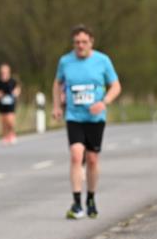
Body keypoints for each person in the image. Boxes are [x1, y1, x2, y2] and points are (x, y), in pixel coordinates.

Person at [52, 24, 122, 220]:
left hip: (95, 118)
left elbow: (116, 85)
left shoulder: (102, 60)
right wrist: (57, 106)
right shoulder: (65, 61)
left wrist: (104, 102)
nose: (80, 46)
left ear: (91, 42)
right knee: (76, 155)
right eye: (76, 43)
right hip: (74, 116)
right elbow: (57, 83)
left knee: (92, 159)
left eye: (84, 42)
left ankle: (90, 198)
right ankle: (76, 203)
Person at [0, 63, 21, 145]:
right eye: (3, 72)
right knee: (3, 121)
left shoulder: (12, 81)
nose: (4, 73)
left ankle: (12, 134)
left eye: (6, 72)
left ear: (9, 72)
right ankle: (6, 136)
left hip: (10, 104)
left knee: (10, 121)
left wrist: (16, 93)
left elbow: (17, 89)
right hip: (1, 105)